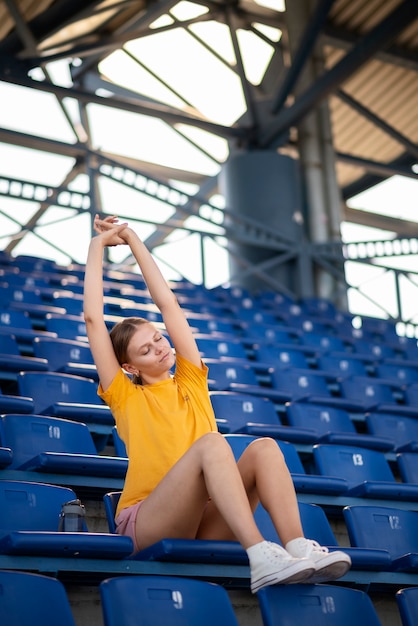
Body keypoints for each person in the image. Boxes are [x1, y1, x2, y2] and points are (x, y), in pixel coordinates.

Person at [83, 214, 351, 594]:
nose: (160, 348)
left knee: (264, 449)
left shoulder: (190, 377)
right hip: (149, 521)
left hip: (206, 518)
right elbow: (94, 321)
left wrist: (133, 239)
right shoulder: (125, 395)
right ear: (129, 366)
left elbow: (168, 304)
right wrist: (98, 247)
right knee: (211, 443)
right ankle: (259, 554)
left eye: (158, 339)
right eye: (146, 349)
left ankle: (296, 548)